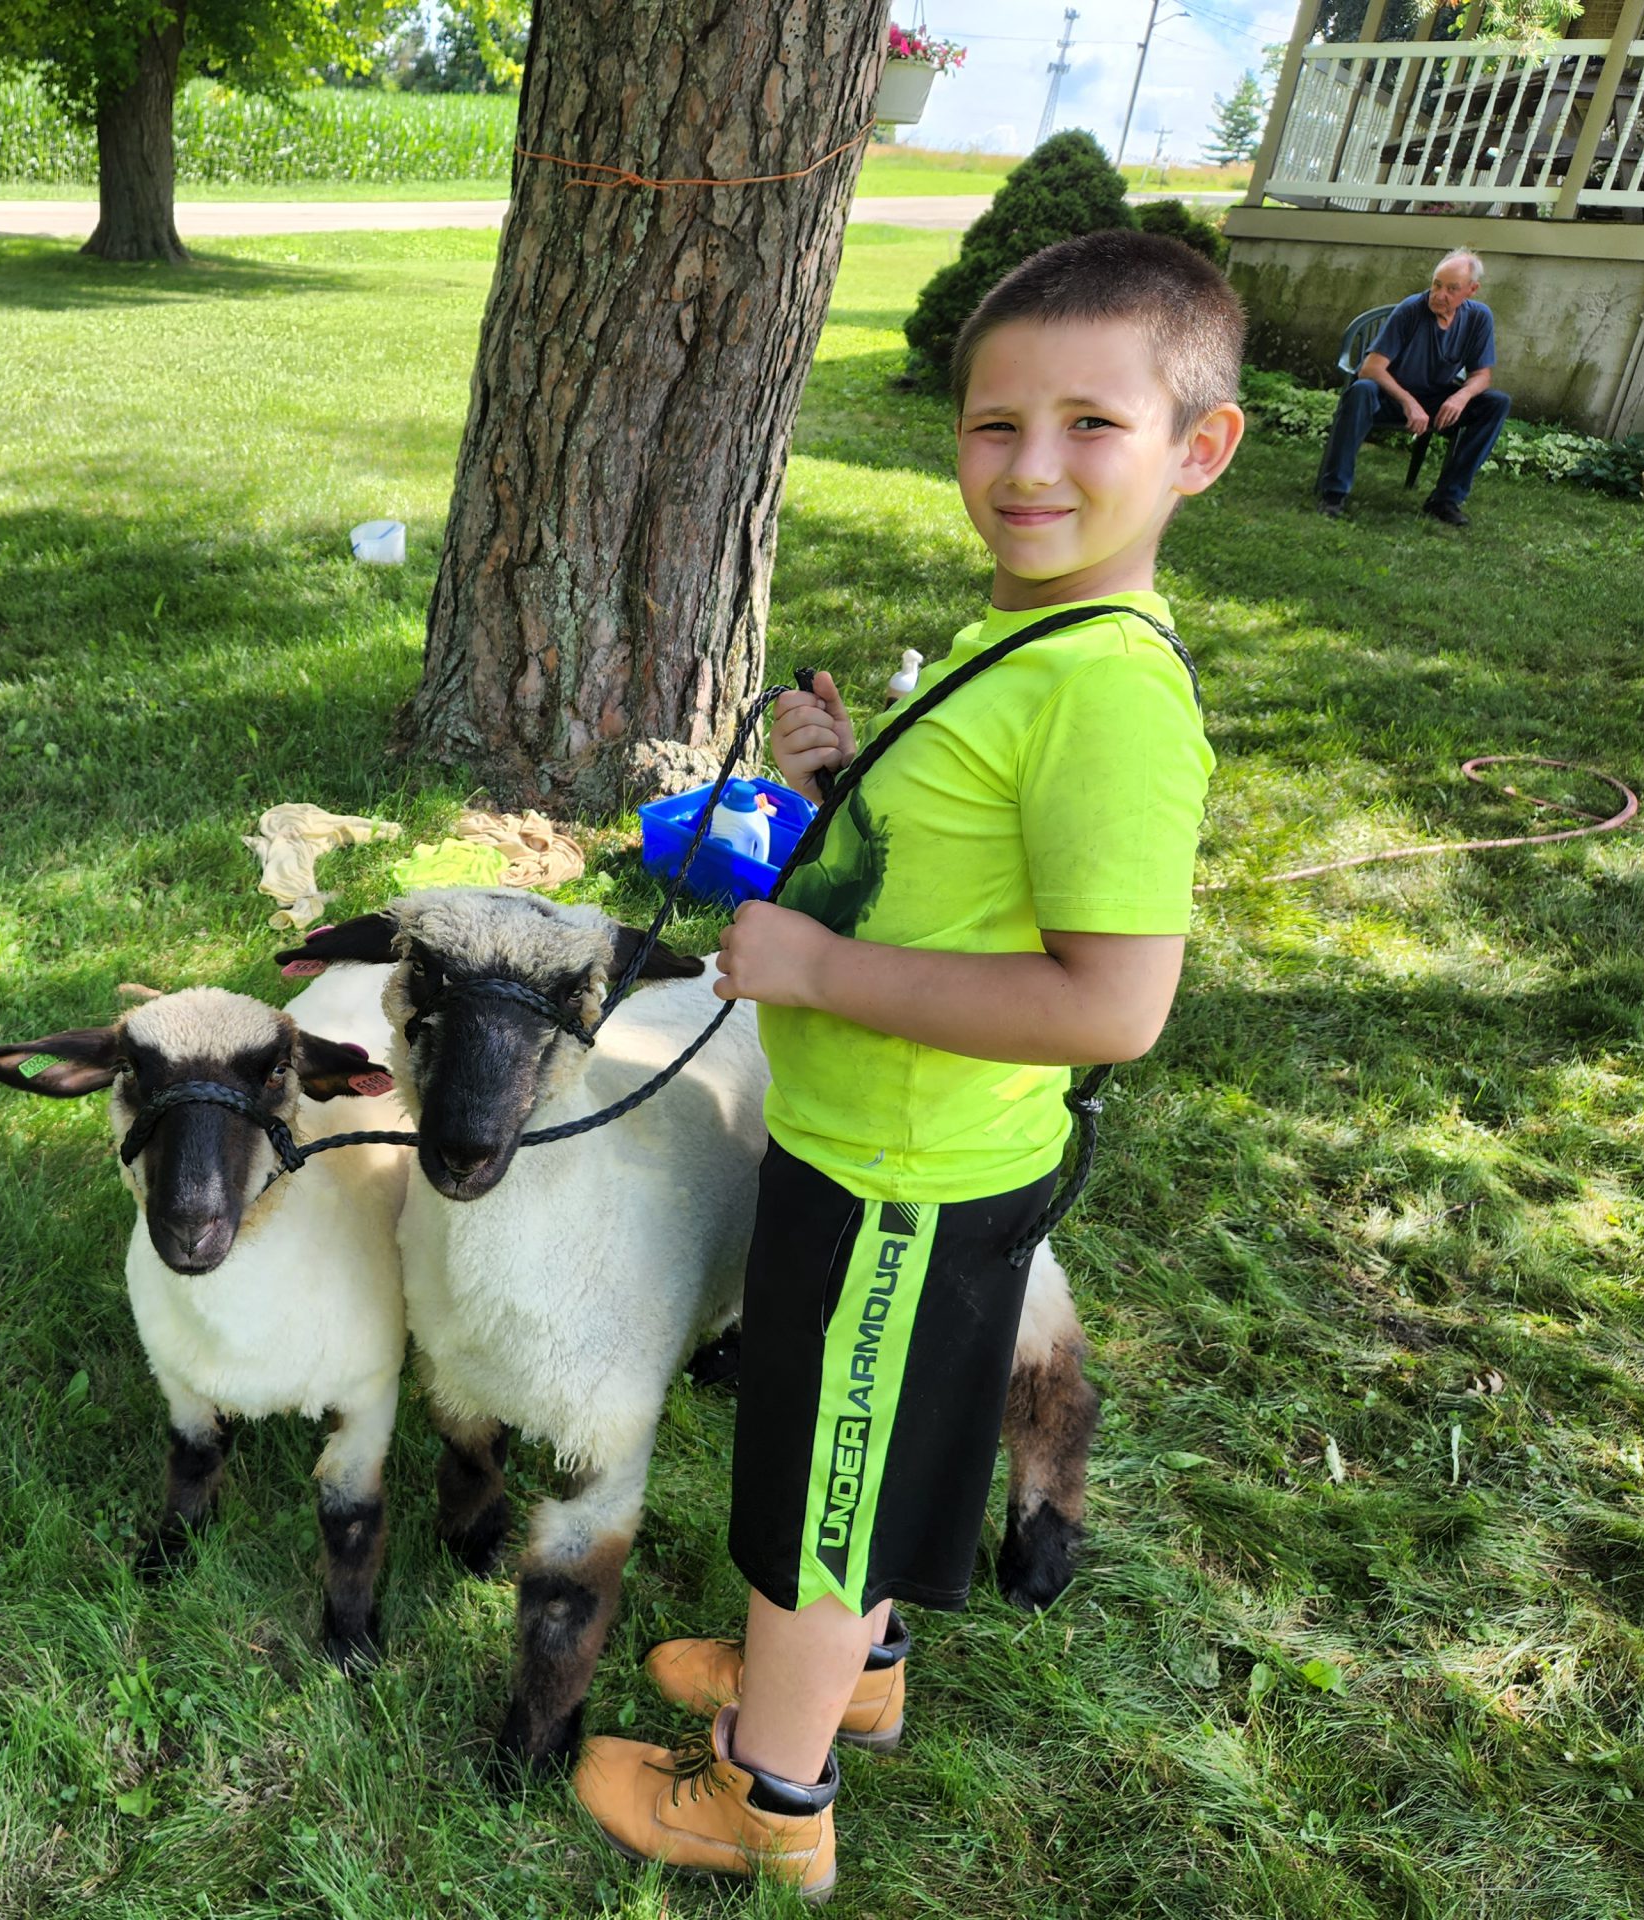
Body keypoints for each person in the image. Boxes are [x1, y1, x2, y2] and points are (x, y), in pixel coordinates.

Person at [571, 228, 1242, 1898]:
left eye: (1094, 425)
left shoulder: (1112, 697)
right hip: (870, 1145)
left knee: (822, 1494)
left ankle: (767, 1800)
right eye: (992, 425)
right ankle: (847, 1672)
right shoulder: (1025, 637)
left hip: (905, 1185)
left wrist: (816, 961)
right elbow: (969, 856)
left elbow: (1112, 1005)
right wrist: (847, 774)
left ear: (1200, 450)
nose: (1029, 468)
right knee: (846, 1462)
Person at [1315, 250, 1509, 527]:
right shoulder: (1411, 309)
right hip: (1389, 397)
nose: (1439, 294)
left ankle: (1445, 500)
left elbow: (1482, 375)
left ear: (1471, 290)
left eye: (1451, 289)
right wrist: (1408, 402)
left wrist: (1461, 396)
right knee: (1361, 390)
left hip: (1435, 400)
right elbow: (1370, 368)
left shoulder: (1479, 318)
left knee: (1496, 403)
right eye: (1436, 284)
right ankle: (1333, 493)